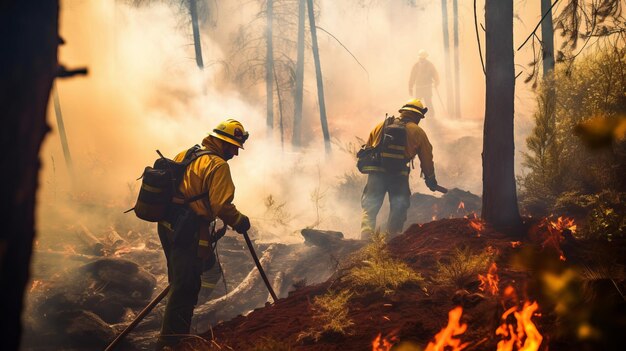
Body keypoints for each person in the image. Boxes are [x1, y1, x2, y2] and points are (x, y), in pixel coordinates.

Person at [156, 118, 251, 349]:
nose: (235, 154)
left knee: (183, 279)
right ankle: (171, 342)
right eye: (234, 147)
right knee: (186, 286)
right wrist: (239, 220)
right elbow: (221, 205)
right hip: (187, 229)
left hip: (167, 225)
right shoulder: (218, 165)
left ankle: (174, 330)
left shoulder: (186, 153)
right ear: (223, 143)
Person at [360, 99, 438, 240]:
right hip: (398, 175)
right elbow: (427, 156)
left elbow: (368, 149)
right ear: (417, 116)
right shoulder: (418, 131)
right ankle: (392, 239)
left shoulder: (380, 126)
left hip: (376, 173)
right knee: (398, 206)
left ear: (402, 112)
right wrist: (430, 178)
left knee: (370, 206)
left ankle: (365, 238)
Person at [408, 49, 440, 118]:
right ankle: (416, 116)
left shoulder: (430, 65)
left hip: (427, 88)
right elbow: (412, 77)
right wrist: (410, 87)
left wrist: (436, 82)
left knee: (428, 102)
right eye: (421, 58)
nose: (422, 59)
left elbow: (435, 74)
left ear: (425, 58)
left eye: (423, 58)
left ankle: (431, 116)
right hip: (419, 88)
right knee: (417, 103)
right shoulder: (416, 66)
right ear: (419, 58)